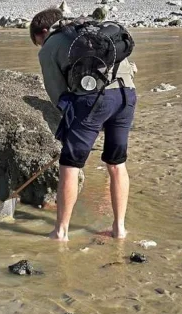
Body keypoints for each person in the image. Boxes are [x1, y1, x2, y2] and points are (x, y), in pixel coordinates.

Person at [29, 8, 137, 241]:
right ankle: (119, 229)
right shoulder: (95, 30)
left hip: (94, 101)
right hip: (127, 94)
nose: (40, 46)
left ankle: (61, 231)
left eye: (38, 41)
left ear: (44, 31)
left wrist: (74, 123)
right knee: (117, 164)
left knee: (70, 165)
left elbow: (58, 94)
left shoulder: (51, 45)